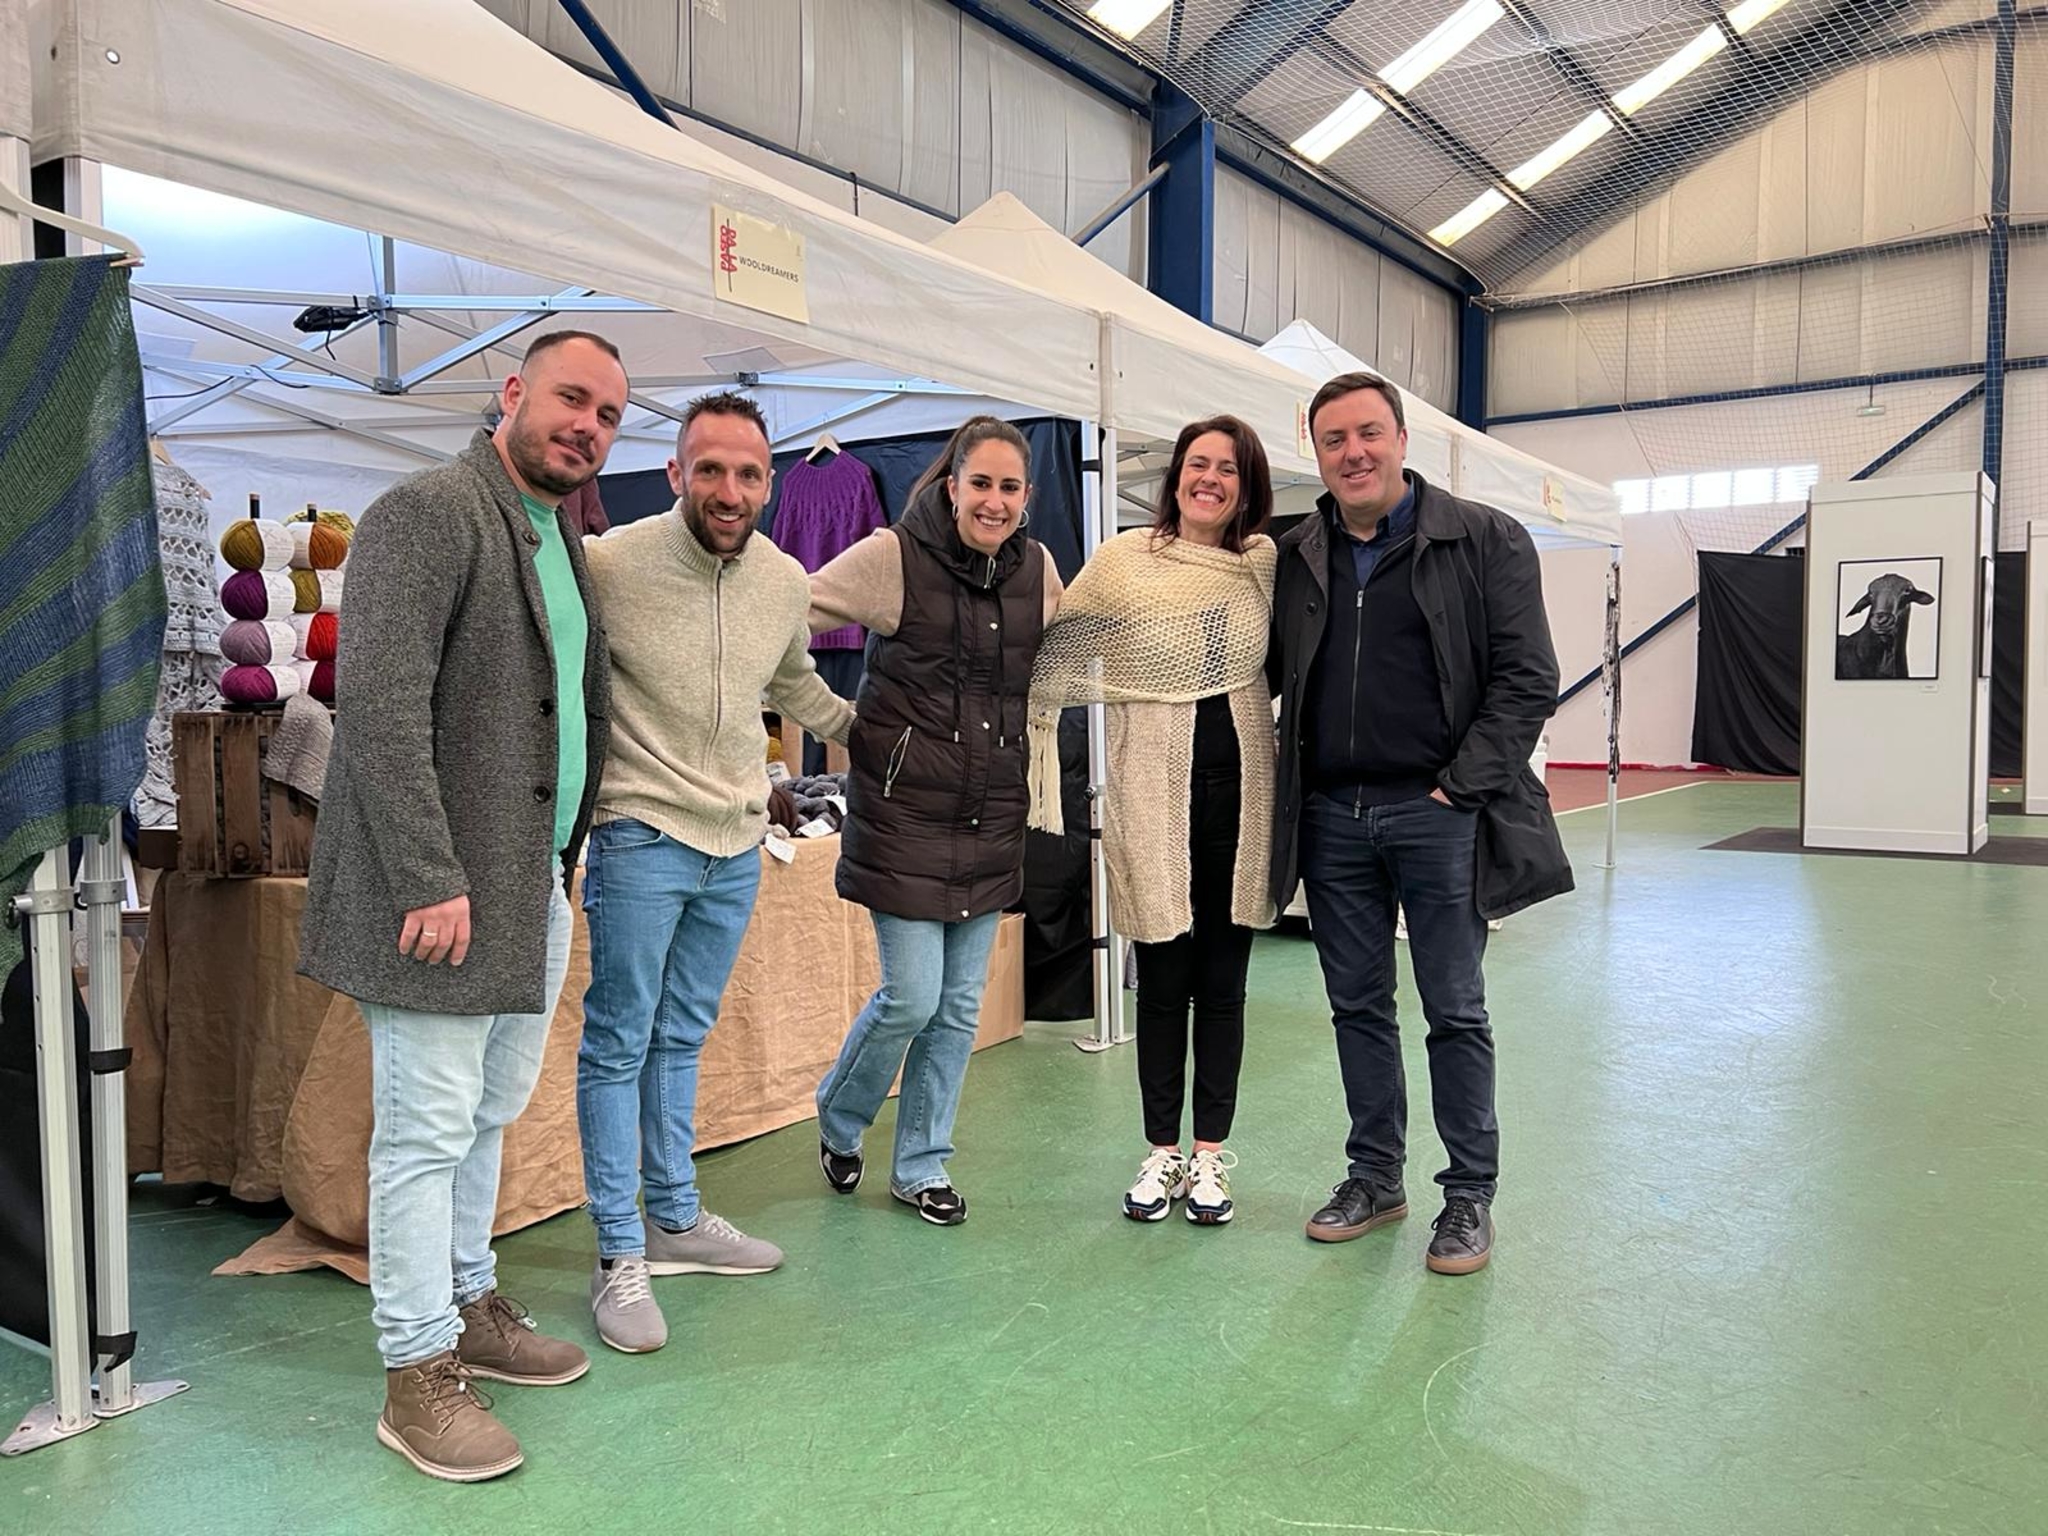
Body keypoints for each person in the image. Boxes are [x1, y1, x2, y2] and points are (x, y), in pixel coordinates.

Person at [299, 330, 626, 1482]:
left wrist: (555, 863)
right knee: (425, 1133)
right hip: (441, 894)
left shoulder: (556, 534)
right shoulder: (427, 513)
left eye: (608, 415)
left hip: (529, 882)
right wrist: (428, 876)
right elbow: (377, 707)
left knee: (486, 1114)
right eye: (571, 398)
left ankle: (467, 1302)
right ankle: (415, 1370)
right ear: (513, 391)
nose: (587, 426)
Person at [1269, 371, 1572, 1277]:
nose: (1353, 453)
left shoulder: (1484, 539)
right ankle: (1375, 1178)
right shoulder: (1296, 552)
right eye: (1334, 440)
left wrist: (1458, 790)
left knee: (1454, 1009)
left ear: (1403, 439)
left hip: (1437, 814)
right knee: (1357, 1006)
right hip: (1332, 815)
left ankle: (1469, 1194)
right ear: (1315, 452)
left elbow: (1528, 677)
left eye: (1369, 433)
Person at [577, 391, 853, 1353]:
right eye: (710, 470)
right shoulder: (609, 564)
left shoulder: (784, 578)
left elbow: (794, 684)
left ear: (769, 484)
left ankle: (674, 1217)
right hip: (639, 832)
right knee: (619, 1041)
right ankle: (618, 1251)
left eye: (747, 474)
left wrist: (873, 733)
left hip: (738, 842)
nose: (729, 490)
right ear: (675, 473)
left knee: (681, 1036)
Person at [805, 416, 1062, 1225]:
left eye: (1009, 487)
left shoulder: (1038, 569)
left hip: (990, 817)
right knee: (912, 999)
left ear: (1027, 496)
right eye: (980, 483)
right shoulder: (892, 557)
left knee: (956, 1010)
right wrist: (840, 722)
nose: (994, 501)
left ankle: (921, 1165)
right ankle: (840, 1114)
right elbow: (784, 615)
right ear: (951, 486)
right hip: (905, 815)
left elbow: (1073, 649)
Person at [1026, 416, 1277, 1226]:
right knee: (1164, 980)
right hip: (1150, 790)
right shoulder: (1124, 560)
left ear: (1247, 485)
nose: (1210, 479)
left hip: (1244, 790)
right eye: (1198, 464)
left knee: (1224, 985)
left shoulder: (1263, 565)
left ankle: (1210, 1156)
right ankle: (1162, 1150)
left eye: (1228, 469)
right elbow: (1057, 643)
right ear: (1175, 477)